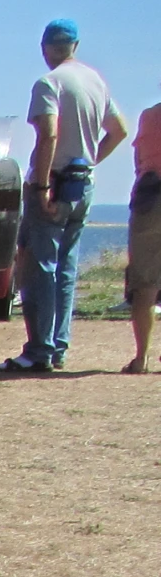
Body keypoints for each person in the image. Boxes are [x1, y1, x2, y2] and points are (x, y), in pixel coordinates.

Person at [4, 20, 130, 372]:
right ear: (75, 45)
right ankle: (58, 345)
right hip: (81, 184)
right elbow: (118, 131)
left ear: (45, 48)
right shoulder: (94, 81)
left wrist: (42, 185)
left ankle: (38, 351)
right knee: (67, 268)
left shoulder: (49, 83)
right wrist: (89, 163)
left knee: (39, 267)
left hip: (54, 182)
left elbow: (49, 135)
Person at [125, 87, 161, 373]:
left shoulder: (149, 116)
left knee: (145, 283)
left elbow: (139, 161)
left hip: (151, 196)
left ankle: (142, 357)